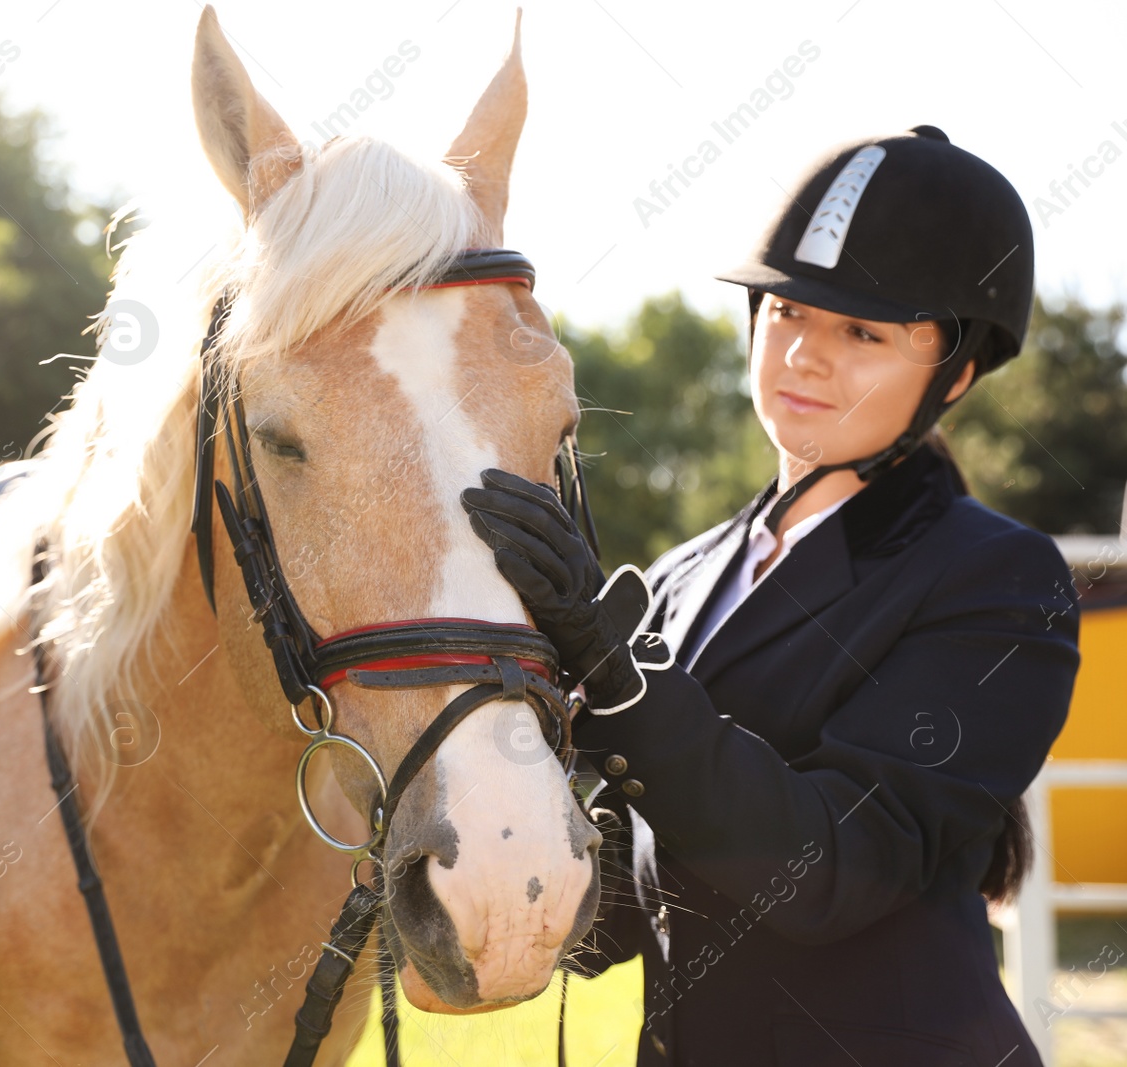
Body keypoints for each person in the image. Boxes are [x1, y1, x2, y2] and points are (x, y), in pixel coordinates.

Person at [460, 126, 1081, 1066]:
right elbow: (623, 919)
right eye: (788, 313)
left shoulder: (1001, 579)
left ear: (955, 374)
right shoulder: (680, 578)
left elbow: (825, 872)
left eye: (862, 332)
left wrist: (620, 679)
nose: (804, 356)